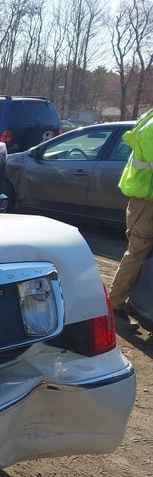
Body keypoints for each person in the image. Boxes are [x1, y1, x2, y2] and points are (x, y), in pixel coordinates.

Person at [109, 109, 153, 333]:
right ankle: (115, 304)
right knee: (137, 253)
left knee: (139, 253)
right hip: (148, 200)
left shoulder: (149, 121)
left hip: (143, 199)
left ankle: (132, 303)